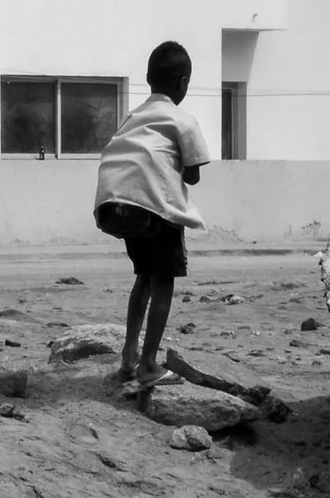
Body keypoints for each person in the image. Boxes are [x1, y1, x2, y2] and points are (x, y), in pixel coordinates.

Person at [93, 41, 213, 396]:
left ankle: (128, 358)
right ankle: (148, 365)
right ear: (183, 82)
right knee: (163, 282)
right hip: (157, 208)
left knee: (143, 278)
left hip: (122, 204)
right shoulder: (182, 119)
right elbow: (192, 176)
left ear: (148, 79)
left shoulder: (134, 116)